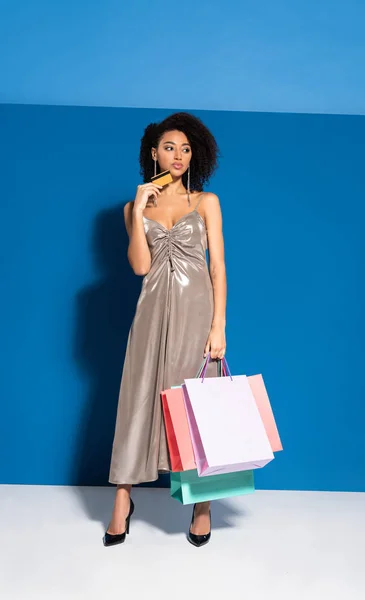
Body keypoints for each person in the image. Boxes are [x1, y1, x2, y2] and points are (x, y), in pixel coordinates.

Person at [103, 112, 227, 548]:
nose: (178, 155)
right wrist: (138, 210)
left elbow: (217, 267)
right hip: (152, 310)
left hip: (197, 314)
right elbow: (141, 266)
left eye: (186, 149)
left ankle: (203, 504)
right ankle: (122, 499)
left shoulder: (205, 201)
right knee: (139, 399)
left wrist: (219, 326)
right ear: (153, 152)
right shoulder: (132, 208)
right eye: (170, 147)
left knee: (199, 406)